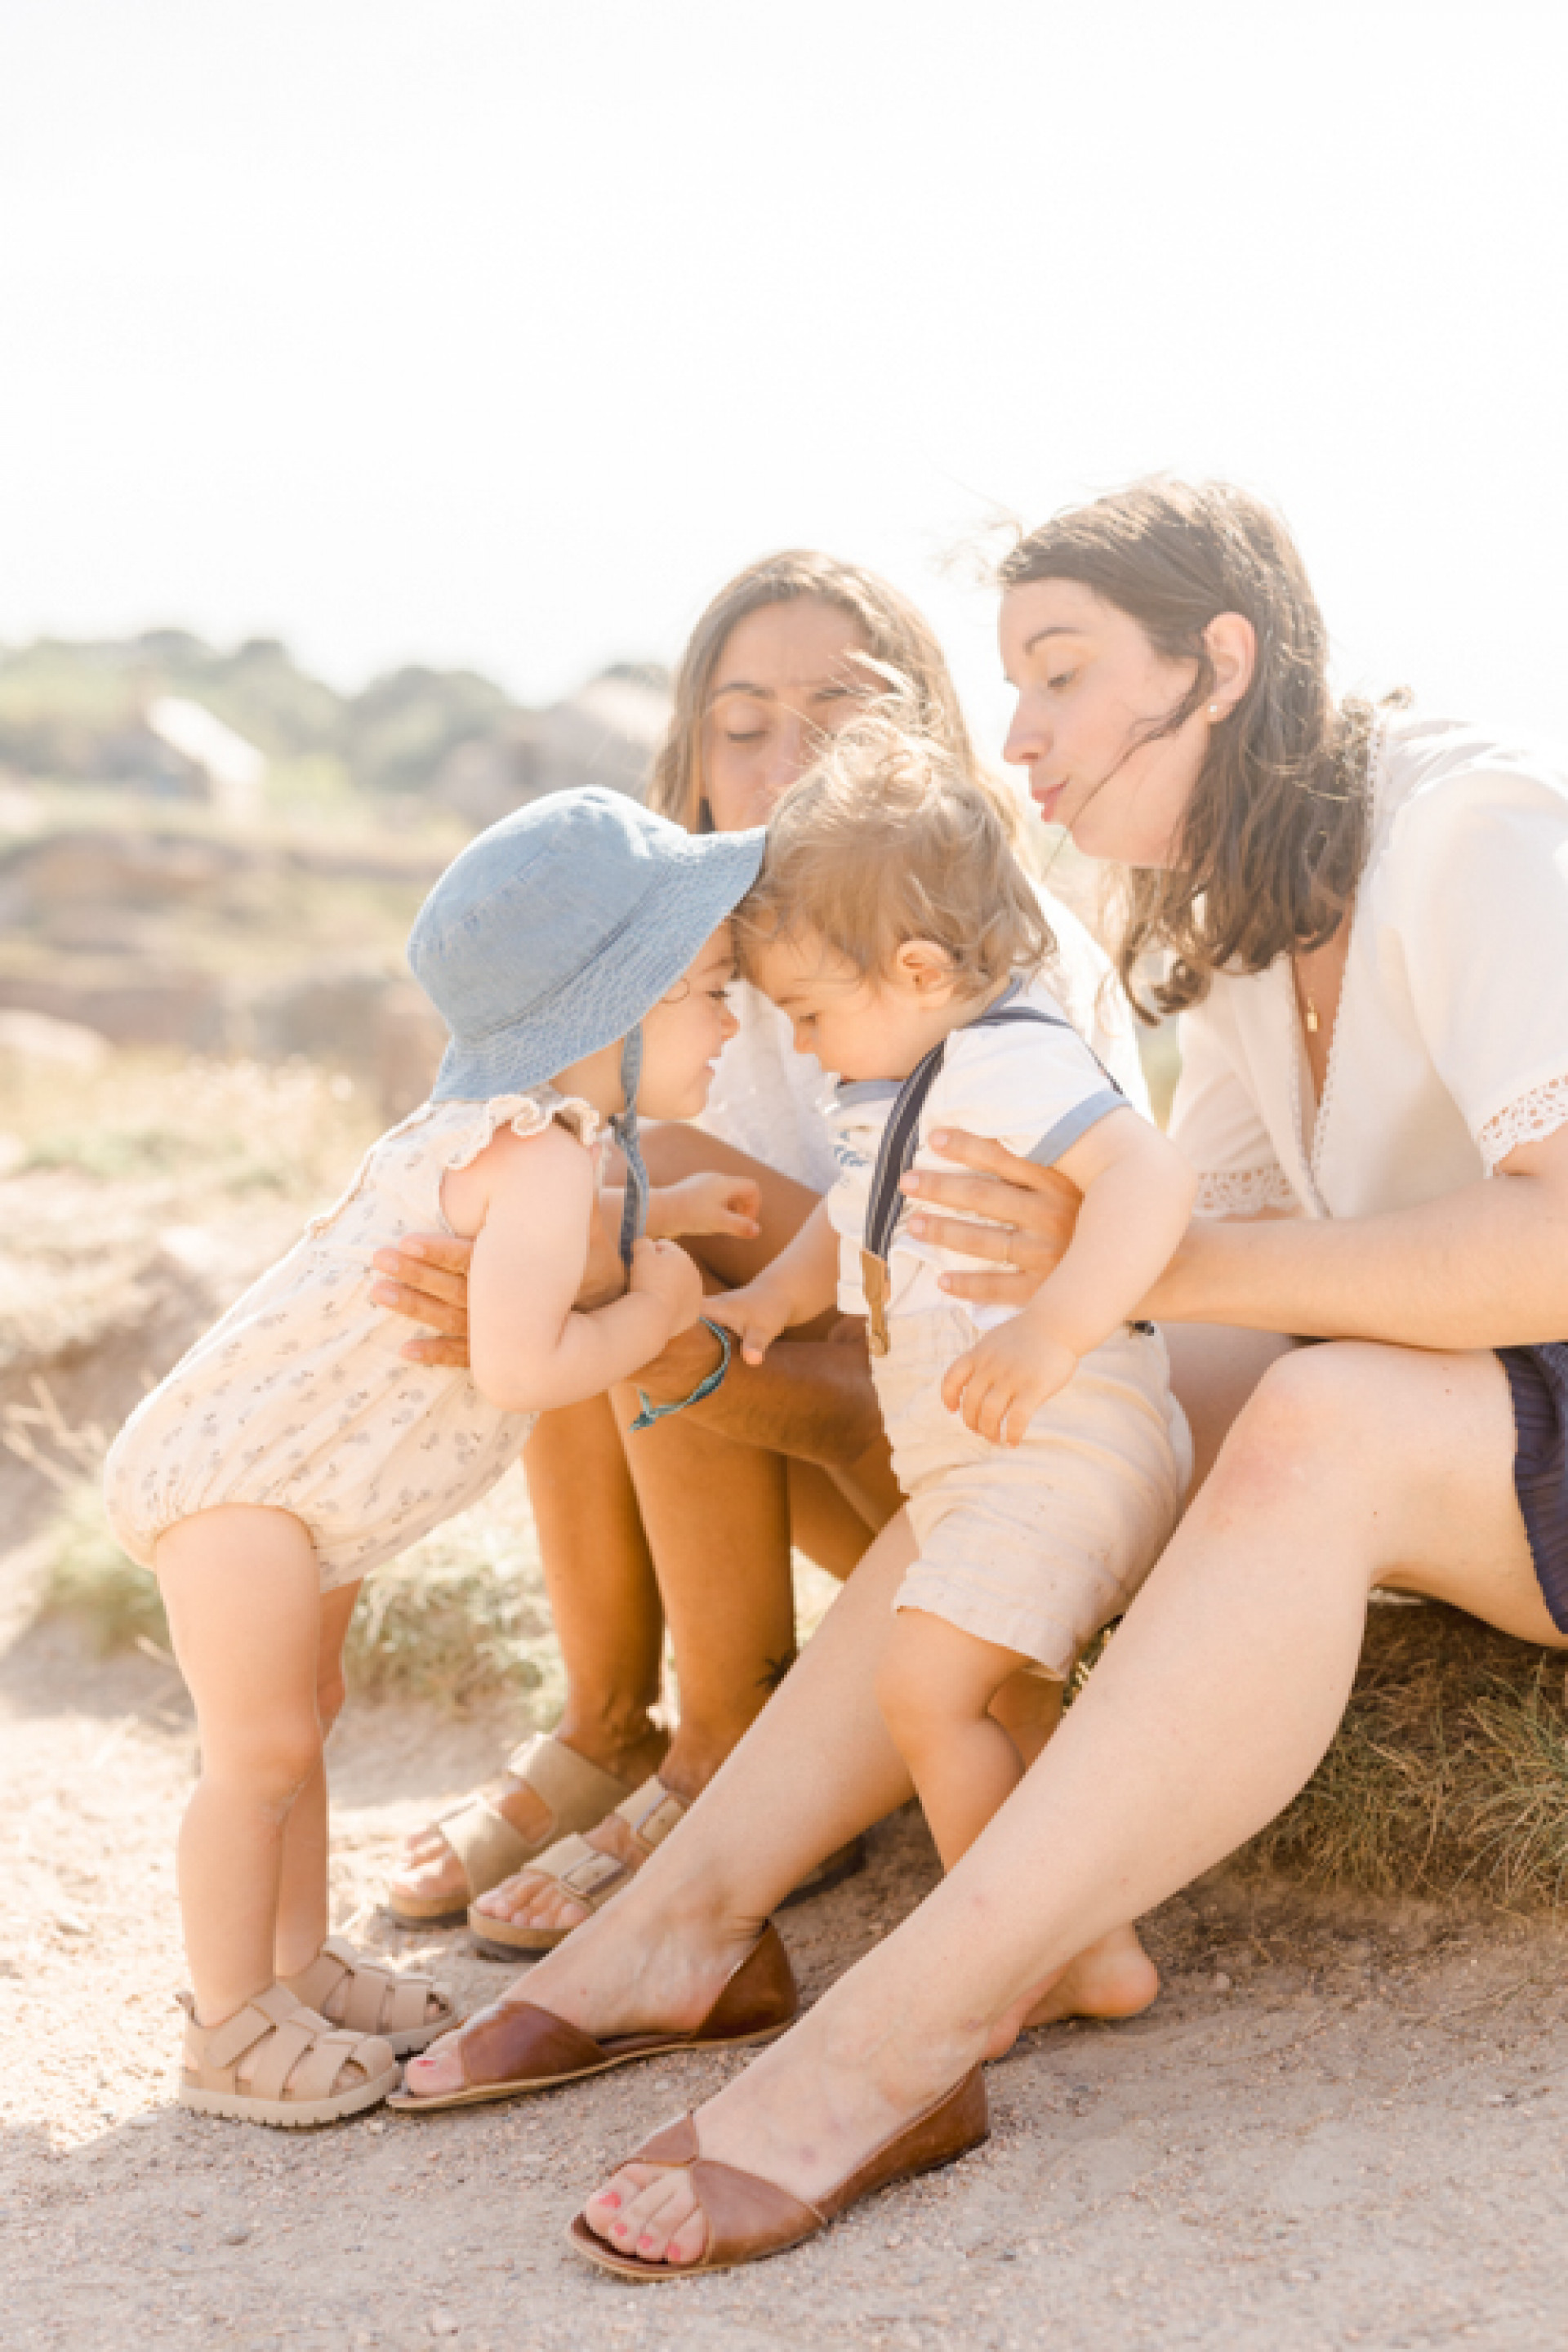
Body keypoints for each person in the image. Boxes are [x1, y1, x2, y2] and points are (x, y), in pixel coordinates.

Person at [394, 479, 1568, 2284]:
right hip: (1483, 1394)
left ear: (1221, 663)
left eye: (1062, 675)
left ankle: (909, 2034)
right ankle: (692, 1919)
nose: (1017, 739)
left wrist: (1146, 1269)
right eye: (1014, 686)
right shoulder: (1240, 903)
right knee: (1125, 1387)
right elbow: (1232, 1261)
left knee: (1313, 1417)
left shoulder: (1469, 827)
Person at [380, 555, 1157, 2026]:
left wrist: (649, 1289)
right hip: (833, 1394)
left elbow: (968, 1281)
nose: (790, 757)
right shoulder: (691, 978)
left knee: (625, 1210)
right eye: (745, 724)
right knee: (578, 1199)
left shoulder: (979, 961)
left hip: (968, 1433)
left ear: (919, 739)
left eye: (841, 713)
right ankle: (608, 1724)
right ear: (695, 758)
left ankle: (724, 1748)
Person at [102, 787, 764, 2125]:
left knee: (313, 1717)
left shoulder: (535, 1150)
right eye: (704, 991)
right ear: (610, 1016)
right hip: (240, 1486)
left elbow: (567, 1240)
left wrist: (668, 1209)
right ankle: (225, 2026)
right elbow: (526, 1361)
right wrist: (658, 1304)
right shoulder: (524, 1159)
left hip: (290, 1487)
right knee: (263, 1748)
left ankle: (291, 1969)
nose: (732, 1017)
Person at [713, 710, 1194, 1869]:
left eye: (814, 1013)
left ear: (920, 970)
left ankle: (1000, 1944)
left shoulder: (1007, 1057)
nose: (809, 1043)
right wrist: (771, 1304)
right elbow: (851, 1222)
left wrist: (1053, 1331)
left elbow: (1146, 1175)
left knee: (920, 1689)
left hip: (1066, 1448)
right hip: (976, 1468)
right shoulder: (893, 1090)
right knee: (1003, 1705)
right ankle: (1092, 1950)